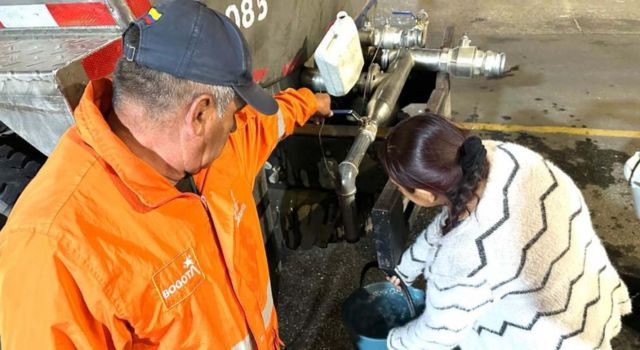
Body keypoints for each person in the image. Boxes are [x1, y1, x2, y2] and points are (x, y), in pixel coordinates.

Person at [0, 1, 331, 349]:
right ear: (199, 113)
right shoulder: (51, 250)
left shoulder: (217, 156)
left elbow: (264, 124)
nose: (236, 125)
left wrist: (312, 102)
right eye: (234, 113)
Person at [382, 113, 632, 349]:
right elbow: (448, 223)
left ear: (425, 195)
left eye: (400, 188)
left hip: (550, 337)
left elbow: (438, 334)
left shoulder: (464, 257)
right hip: (589, 292)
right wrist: (406, 269)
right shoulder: (503, 156)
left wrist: (393, 342)